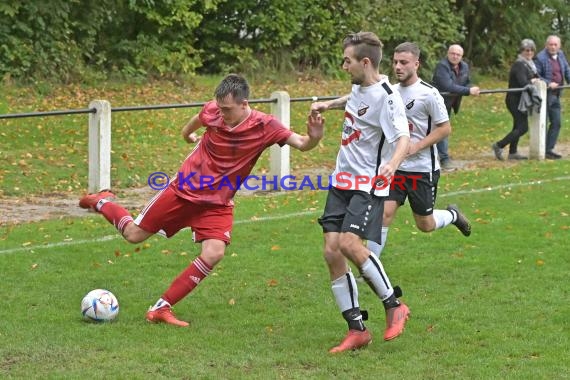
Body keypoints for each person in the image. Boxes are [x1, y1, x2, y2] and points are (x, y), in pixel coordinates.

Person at [79, 74, 325, 327]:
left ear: (244, 104)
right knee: (133, 235)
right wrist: (187, 135)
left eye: (227, 110)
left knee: (214, 252)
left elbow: (303, 144)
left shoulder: (266, 126)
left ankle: (161, 309)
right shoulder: (214, 110)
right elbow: (198, 118)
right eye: (219, 108)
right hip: (183, 191)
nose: (222, 114)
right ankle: (101, 201)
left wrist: (315, 136)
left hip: (217, 203)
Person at [310, 31, 411, 353]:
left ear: (364, 62)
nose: (343, 66)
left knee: (350, 244)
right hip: (341, 181)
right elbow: (353, 100)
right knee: (331, 251)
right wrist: (330, 104)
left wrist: (392, 164)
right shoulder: (358, 86)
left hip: (368, 184)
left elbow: (403, 137)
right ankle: (357, 329)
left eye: (347, 61)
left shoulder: (388, 97)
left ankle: (394, 304)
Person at [365, 42, 471, 261]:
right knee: (383, 215)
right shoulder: (390, 92)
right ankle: (369, 268)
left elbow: (445, 128)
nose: (398, 67)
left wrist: (416, 146)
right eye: (395, 62)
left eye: (403, 62)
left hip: (422, 169)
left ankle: (452, 215)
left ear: (416, 64)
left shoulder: (429, 94)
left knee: (425, 224)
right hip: (395, 167)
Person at [432, 44, 480, 169]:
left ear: (461, 56)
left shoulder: (464, 66)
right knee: (442, 130)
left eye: (458, 54)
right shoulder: (442, 66)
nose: (455, 56)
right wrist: (468, 91)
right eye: (452, 53)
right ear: (448, 54)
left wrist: (471, 87)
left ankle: (439, 157)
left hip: (449, 104)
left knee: (438, 130)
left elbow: (467, 81)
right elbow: (448, 86)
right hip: (436, 103)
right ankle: (444, 159)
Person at [492, 39, 540, 161]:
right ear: (522, 51)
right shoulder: (519, 64)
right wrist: (532, 81)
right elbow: (523, 82)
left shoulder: (530, 65)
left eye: (531, 50)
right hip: (514, 99)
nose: (529, 52)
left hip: (522, 99)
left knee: (517, 126)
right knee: (523, 127)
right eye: (526, 50)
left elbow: (537, 77)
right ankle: (499, 145)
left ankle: (513, 152)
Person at [534, 35, 570, 159]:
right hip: (545, 94)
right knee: (543, 122)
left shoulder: (561, 55)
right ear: (546, 45)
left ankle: (549, 149)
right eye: (551, 44)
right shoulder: (540, 58)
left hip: (557, 95)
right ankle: (541, 149)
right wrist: (549, 83)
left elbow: (566, 70)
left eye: (555, 45)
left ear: (559, 46)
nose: (553, 47)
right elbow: (535, 75)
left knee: (556, 122)